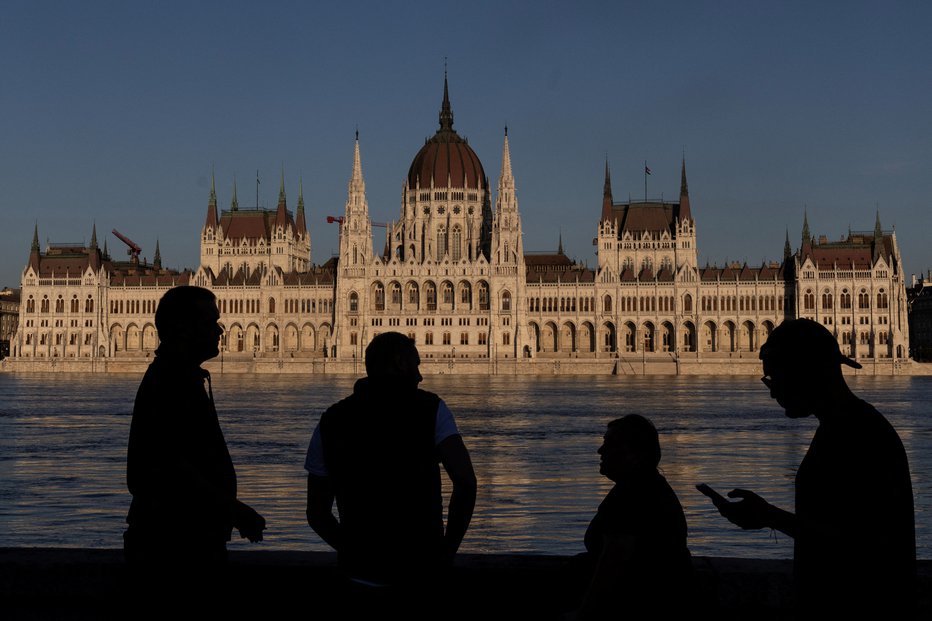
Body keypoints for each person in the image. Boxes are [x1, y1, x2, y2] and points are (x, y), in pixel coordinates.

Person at [702, 318, 915, 615]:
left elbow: (863, 545)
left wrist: (770, 516)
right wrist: (767, 517)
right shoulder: (843, 427)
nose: (773, 393)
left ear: (806, 372)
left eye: (775, 379)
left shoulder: (858, 435)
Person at [305, 332, 477, 603]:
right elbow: (466, 483)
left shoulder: (331, 420)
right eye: (416, 365)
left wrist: (356, 551)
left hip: (358, 577)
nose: (420, 376)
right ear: (399, 363)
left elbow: (316, 513)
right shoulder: (431, 409)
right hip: (421, 575)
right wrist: (445, 554)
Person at [124, 286, 265, 570]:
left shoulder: (180, 375)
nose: (220, 330)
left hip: (186, 537)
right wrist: (234, 510)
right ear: (183, 328)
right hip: (174, 545)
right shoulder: (171, 381)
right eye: (211, 322)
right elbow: (169, 466)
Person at [577, 415, 694, 619]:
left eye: (609, 444)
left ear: (635, 454)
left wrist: (584, 613)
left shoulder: (633, 493)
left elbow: (614, 560)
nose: (600, 451)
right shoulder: (648, 486)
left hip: (637, 610)